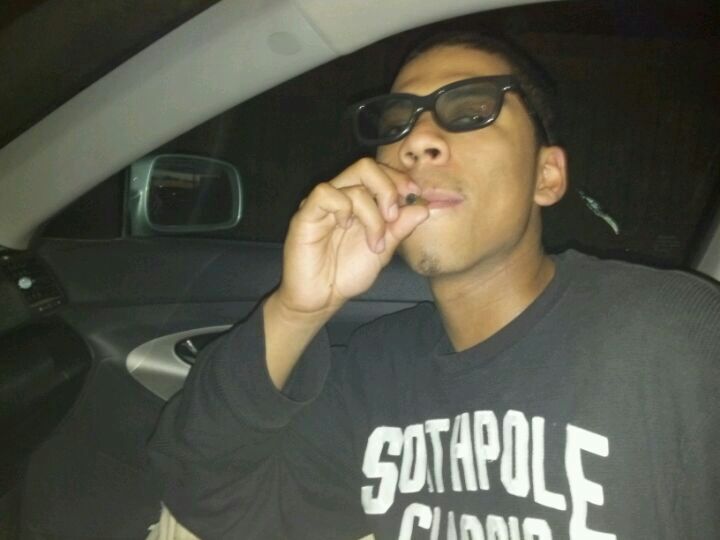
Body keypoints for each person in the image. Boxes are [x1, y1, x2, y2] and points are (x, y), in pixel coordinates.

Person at [147, 32, 720, 539]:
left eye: (471, 110)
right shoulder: (378, 370)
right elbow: (211, 499)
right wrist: (297, 310)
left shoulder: (671, 331)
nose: (417, 141)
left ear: (546, 176)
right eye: (396, 123)